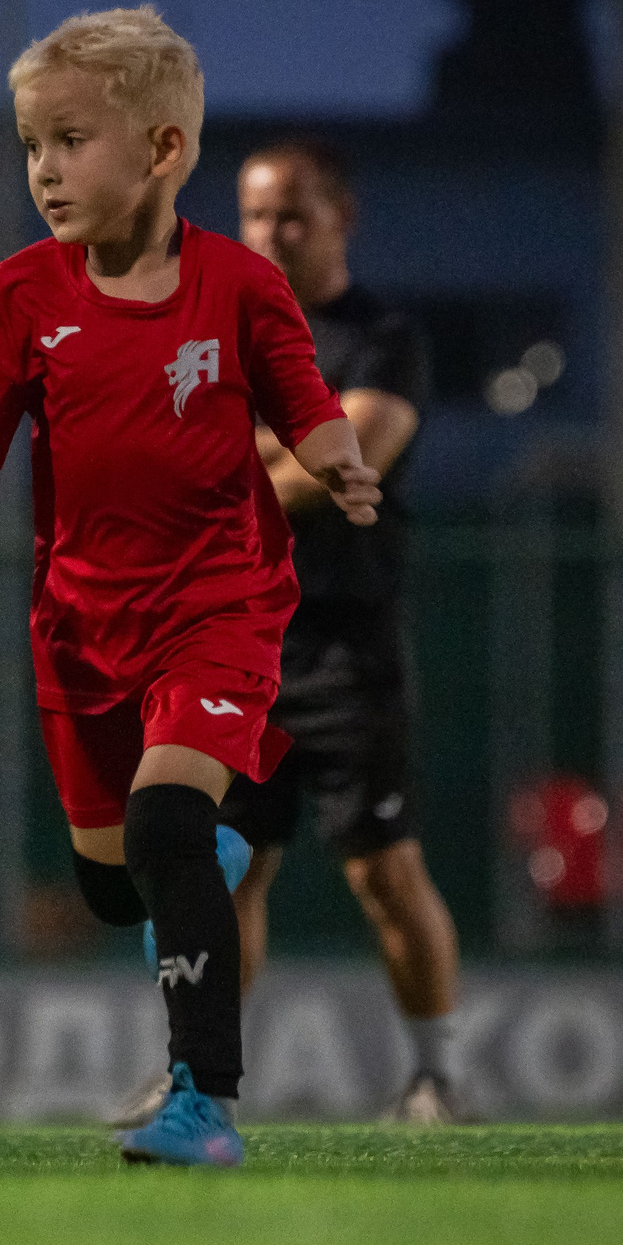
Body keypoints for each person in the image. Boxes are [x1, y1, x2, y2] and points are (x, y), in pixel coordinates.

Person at [0, 7, 379, 1168]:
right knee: (114, 888)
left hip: (219, 602)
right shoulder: (19, 295)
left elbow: (299, 394)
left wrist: (334, 458)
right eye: (31, 145)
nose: (44, 170)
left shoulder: (237, 288)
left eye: (69, 140)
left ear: (163, 150)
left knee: (170, 816)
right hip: (79, 622)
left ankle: (203, 1105)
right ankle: (186, 868)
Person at [195, 139, 469, 1126]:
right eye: (256, 213)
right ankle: (202, 1084)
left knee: (382, 870)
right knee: (227, 866)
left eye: (293, 211)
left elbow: (349, 456)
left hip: (348, 645)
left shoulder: (382, 335)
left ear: (341, 214)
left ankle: (434, 1077)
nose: (272, 232)